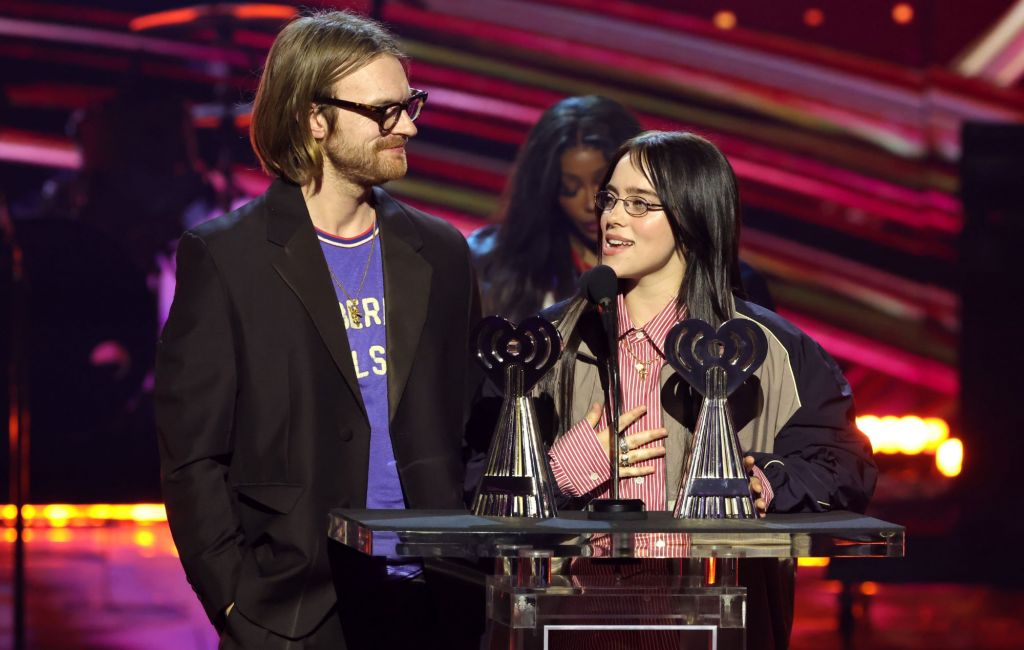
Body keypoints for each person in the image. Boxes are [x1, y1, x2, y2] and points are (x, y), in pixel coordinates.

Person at [155, 10, 480, 649]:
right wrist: (233, 604)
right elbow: (193, 458)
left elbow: (474, 420)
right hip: (296, 610)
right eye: (384, 111)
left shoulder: (441, 251)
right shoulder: (227, 258)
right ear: (314, 119)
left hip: (436, 598)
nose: (408, 125)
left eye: (410, 104)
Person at [537, 131, 877, 649]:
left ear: (693, 219)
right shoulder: (547, 343)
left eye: (639, 203)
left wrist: (766, 484)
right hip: (576, 625)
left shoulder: (772, 348)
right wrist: (569, 466)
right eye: (610, 199)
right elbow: (476, 481)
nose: (610, 217)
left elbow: (846, 465)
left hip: (718, 625)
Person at [469, 95, 774, 324]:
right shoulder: (493, 265)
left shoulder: (731, 281)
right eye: (569, 188)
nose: (591, 204)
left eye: (604, 185)